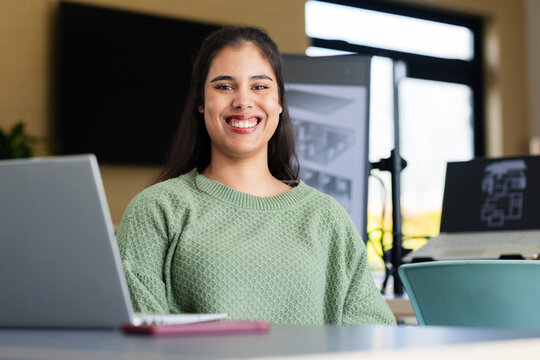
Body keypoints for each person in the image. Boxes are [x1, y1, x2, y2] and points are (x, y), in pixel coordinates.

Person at [116, 26, 396, 326]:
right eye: (224, 86)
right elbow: (140, 341)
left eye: (260, 87)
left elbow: (373, 336)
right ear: (201, 101)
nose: (243, 101)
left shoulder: (326, 218)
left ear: (279, 102)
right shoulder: (157, 210)